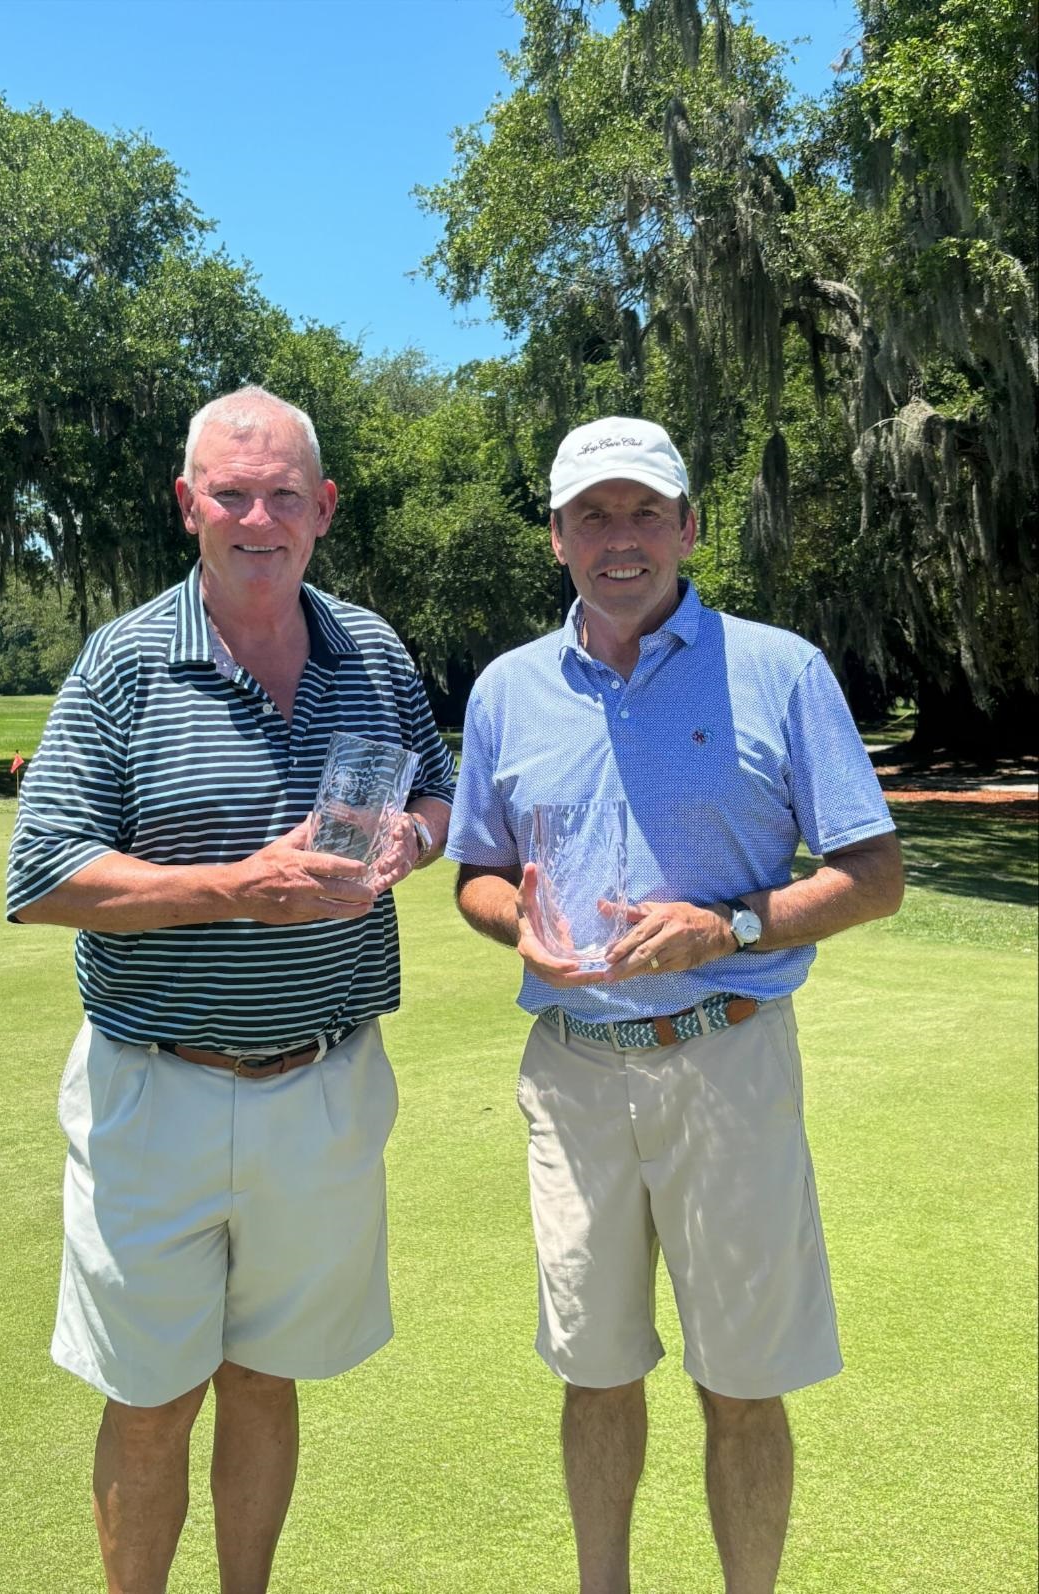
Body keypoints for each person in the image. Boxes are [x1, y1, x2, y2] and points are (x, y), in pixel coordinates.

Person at [6, 386, 454, 1594]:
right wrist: (231, 884)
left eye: (285, 495)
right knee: (150, 1400)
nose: (260, 517)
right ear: (186, 503)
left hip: (324, 1082)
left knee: (268, 1376)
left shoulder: (374, 648)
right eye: (232, 492)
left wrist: (416, 838)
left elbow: (435, 794)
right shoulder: (124, 663)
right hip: (158, 1093)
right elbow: (47, 875)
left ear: (324, 508)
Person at [446, 417, 904, 1594]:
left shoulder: (779, 668)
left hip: (729, 1059)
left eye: (645, 511)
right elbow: (476, 875)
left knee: (741, 1383)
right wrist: (517, 926)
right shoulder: (506, 690)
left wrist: (731, 925)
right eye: (591, 516)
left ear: (691, 527)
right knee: (594, 1373)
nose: (621, 539)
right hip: (575, 1069)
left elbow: (874, 875)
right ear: (554, 538)